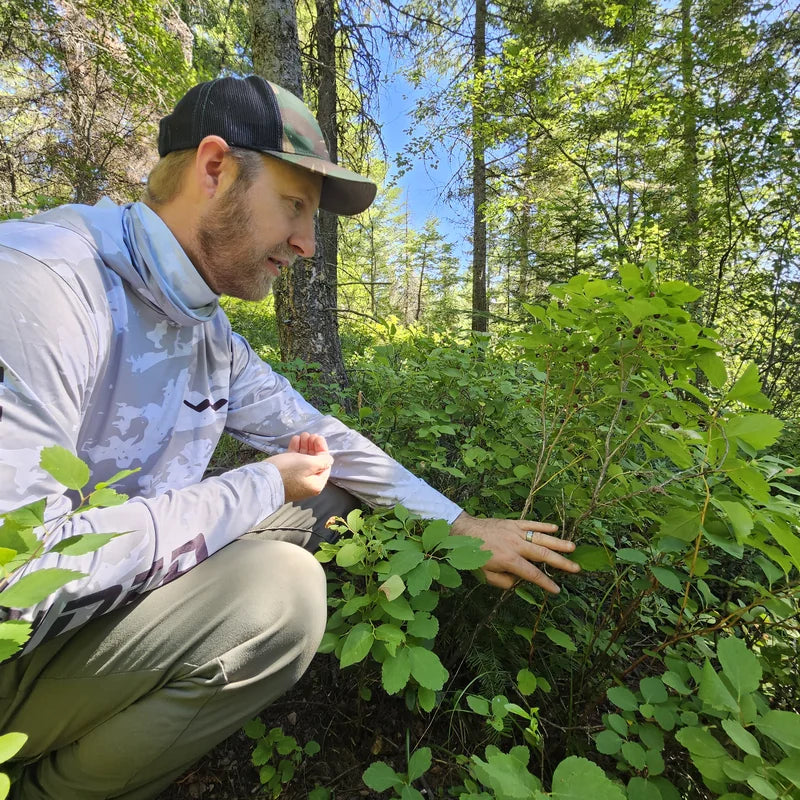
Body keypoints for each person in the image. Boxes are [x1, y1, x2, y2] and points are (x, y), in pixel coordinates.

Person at [0, 75, 579, 799]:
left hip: (82, 612)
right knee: (284, 593)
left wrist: (459, 525)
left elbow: (320, 433)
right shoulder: (40, 284)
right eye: (295, 205)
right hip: (16, 635)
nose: (308, 243)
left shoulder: (203, 327)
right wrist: (260, 483)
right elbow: (16, 580)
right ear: (214, 169)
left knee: (330, 496)